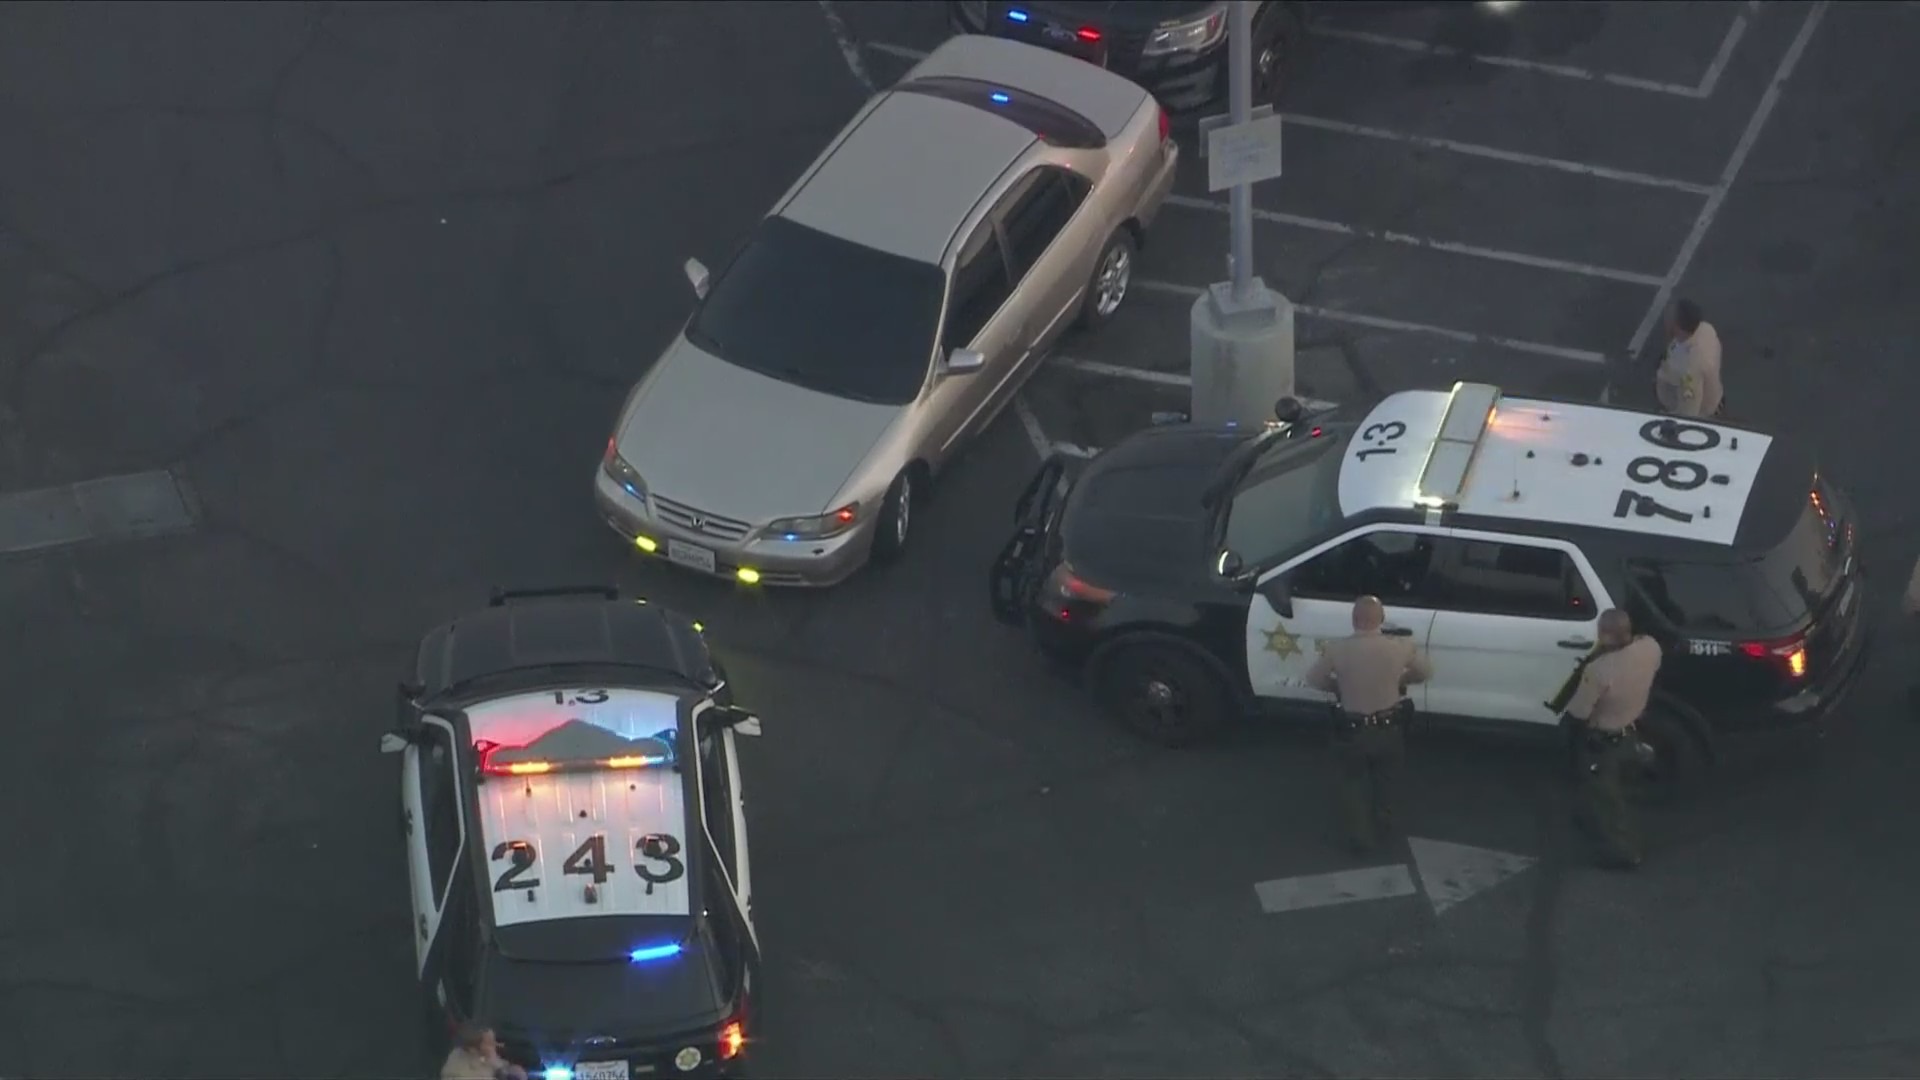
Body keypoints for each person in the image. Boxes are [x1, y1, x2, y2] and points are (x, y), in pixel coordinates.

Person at [1306, 595, 1434, 852]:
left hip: (1352, 731)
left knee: (1351, 784)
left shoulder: (1336, 650)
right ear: (1382, 620)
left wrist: (1338, 687)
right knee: (1386, 780)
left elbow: (1314, 678)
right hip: (1389, 728)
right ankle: (1385, 823)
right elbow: (1425, 672)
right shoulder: (1400, 647)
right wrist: (1401, 681)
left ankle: (1361, 838)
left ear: (1354, 620)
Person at [1561, 609, 1662, 869]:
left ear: (1604, 635)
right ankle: (1588, 818)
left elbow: (1580, 712)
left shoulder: (1600, 670)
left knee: (1607, 799)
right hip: (1630, 729)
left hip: (1603, 740)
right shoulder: (1650, 648)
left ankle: (1624, 854)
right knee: (1611, 787)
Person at [1654, 298, 1724, 419]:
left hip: (1694, 411)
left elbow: (1689, 412)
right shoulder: (1705, 329)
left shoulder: (1689, 370)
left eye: (1668, 316)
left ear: (1676, 327)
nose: (1665, 318)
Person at [441, 1023, 528, 1080]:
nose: (496, 1045)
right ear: (473, 1049)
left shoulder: (490, 1058)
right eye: (490, 1042)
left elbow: (521, 1076)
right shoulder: (458, 1069)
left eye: (494, 1040)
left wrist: (499, 1066)